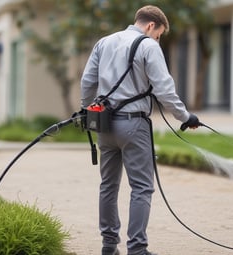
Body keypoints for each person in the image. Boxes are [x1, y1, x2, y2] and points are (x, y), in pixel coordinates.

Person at [80, 5, 200, 255]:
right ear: (150, 26)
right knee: (142, 188)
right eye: (159, 34)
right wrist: (185, 116)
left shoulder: (104, 42)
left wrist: (86, 110)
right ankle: (137, 249)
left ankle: (109, 245)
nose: (157, 39)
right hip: (134, 125)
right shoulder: (148, 45)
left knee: (108, 185)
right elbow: (165, 90)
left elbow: (87, 82)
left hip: (103, 124)